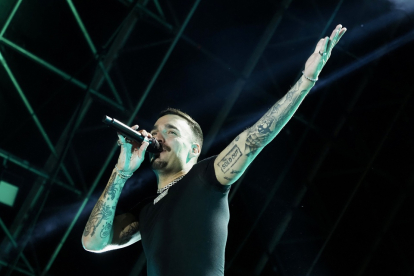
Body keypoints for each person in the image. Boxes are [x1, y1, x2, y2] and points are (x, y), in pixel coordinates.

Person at [82, 25, 347, 275]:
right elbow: (93, 242)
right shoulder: (145, 210)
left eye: (171, 132)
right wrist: (120, 171)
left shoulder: (207, 177)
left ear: (194, 149)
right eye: (155, 131)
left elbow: (255, 138)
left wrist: (306, 80)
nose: (156, 136)